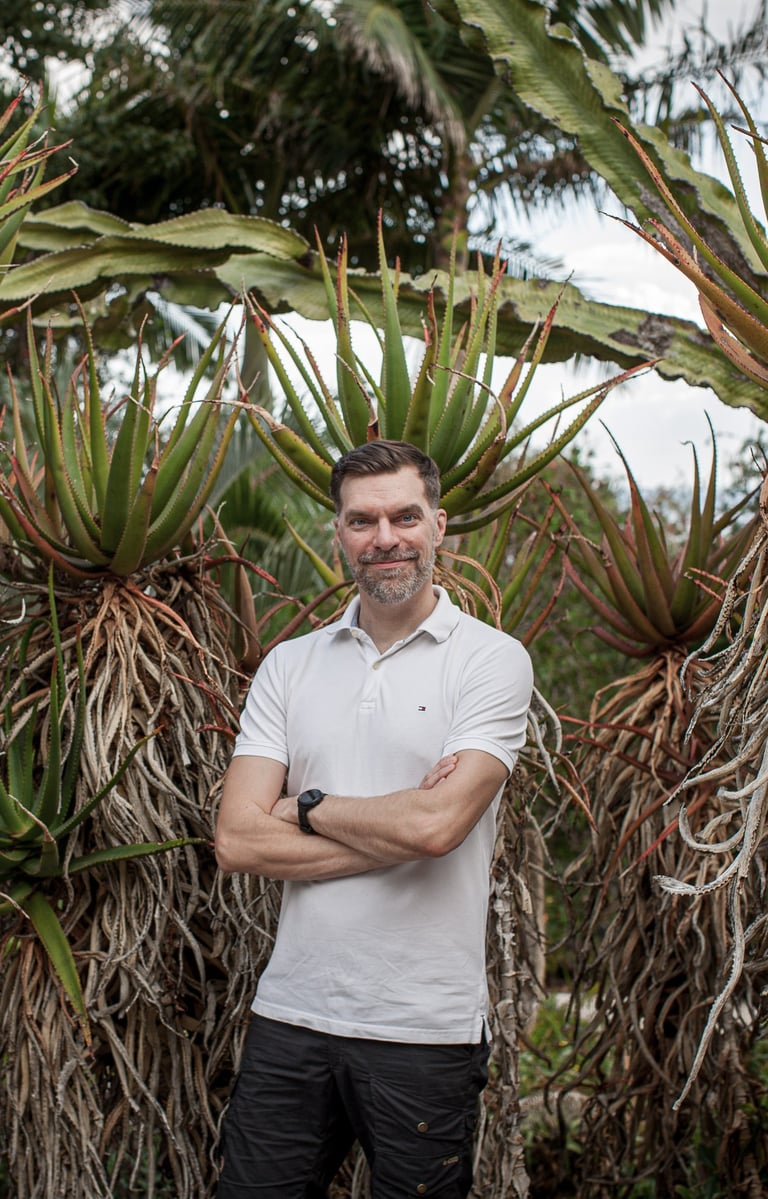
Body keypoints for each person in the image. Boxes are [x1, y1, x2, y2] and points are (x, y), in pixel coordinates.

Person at [214, 439, 533, 1198]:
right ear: (340, 533)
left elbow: (438, 828)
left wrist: (307, 807)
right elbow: (234, 837)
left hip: (423, 1030)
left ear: (439, 525)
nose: (384, 537)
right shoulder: (291, 665)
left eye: (403, 516)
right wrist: (405, 824)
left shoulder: (490, 660)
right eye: (362, 520)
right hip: (292, 1015)